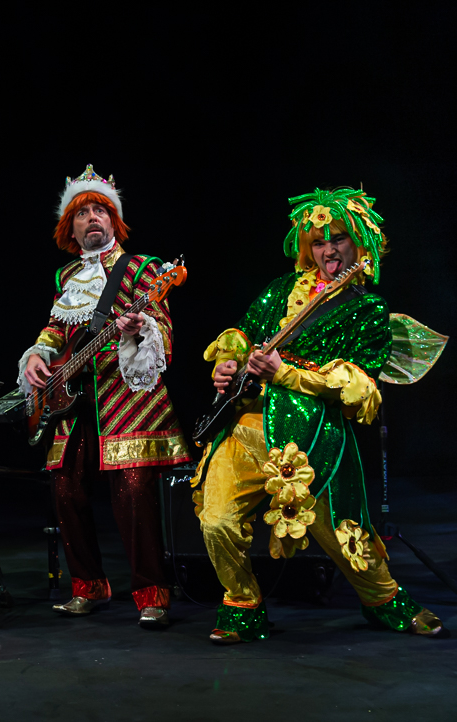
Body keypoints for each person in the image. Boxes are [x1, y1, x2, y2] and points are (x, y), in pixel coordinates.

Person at [194, 187, 444, 643]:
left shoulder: (367, 311)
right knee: (216, 520)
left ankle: (384, 600)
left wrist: (286, 373)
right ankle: (244, 604)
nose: (328, 249)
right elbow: (244, 338)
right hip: (246, 426)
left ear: (360, 243)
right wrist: (227, 364)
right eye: (319, 241)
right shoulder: (279, 291)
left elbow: (360, 388)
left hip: (313, 441)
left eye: (338, 239)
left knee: (346, 538)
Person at [20, 165, 192, 626]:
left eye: (101, 210)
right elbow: (58, 328)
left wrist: (140, 330)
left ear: (114, 221)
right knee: (65, 488)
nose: (93, 217)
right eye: (83, 213)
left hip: (127, 397)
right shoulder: (65, 278)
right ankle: (88, 586)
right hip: (72, 399)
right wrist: (39, 355)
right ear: (70, 227)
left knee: (133, 493)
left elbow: (164, 331)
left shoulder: (145, 270)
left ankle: (152, 594)